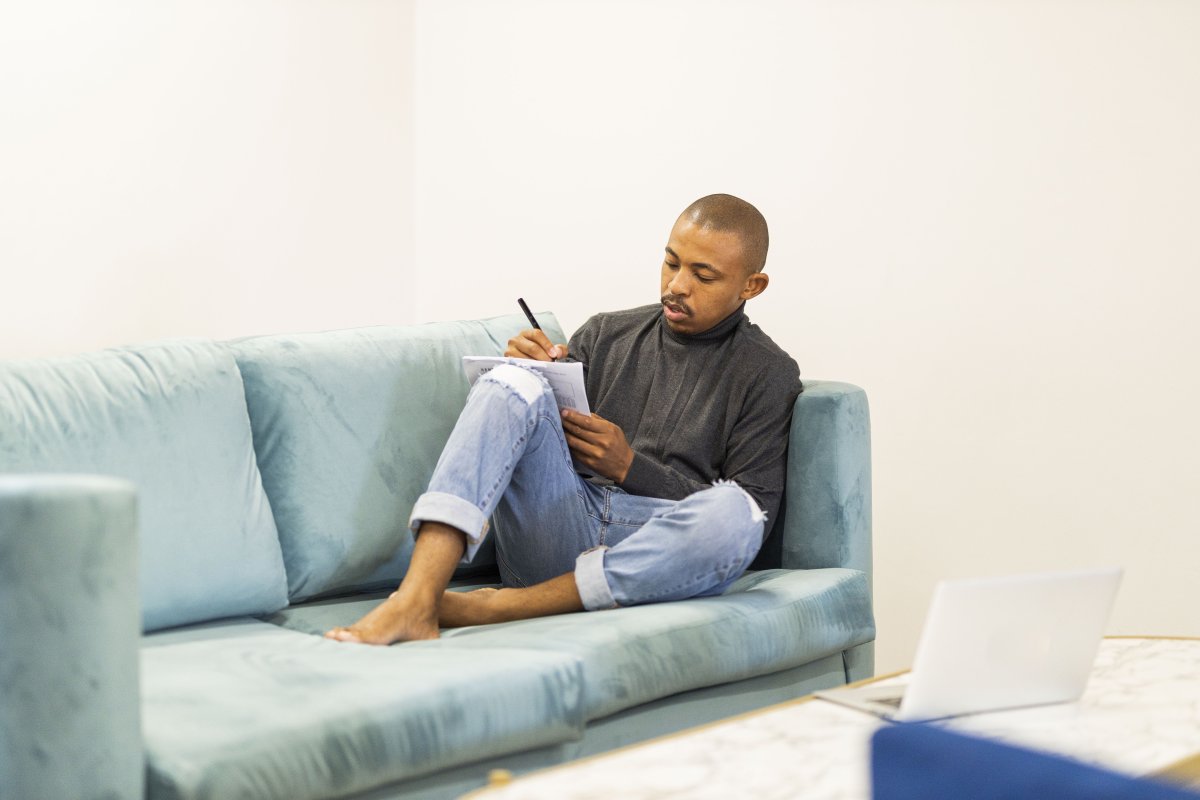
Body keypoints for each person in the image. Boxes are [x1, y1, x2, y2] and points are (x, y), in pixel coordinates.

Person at [326, 193, 802, 645]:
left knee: (736, 515)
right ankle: (416, 598)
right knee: (510, 381)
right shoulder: (606, 332)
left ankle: (503, 608)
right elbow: (537, 448)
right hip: (555, 525)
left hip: (651, 551)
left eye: (704, 275)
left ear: (751, 286)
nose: (676, 285)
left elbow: (754, 525)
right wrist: (531, 374)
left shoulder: (767, 372)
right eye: (671, 262)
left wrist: (630, 468)